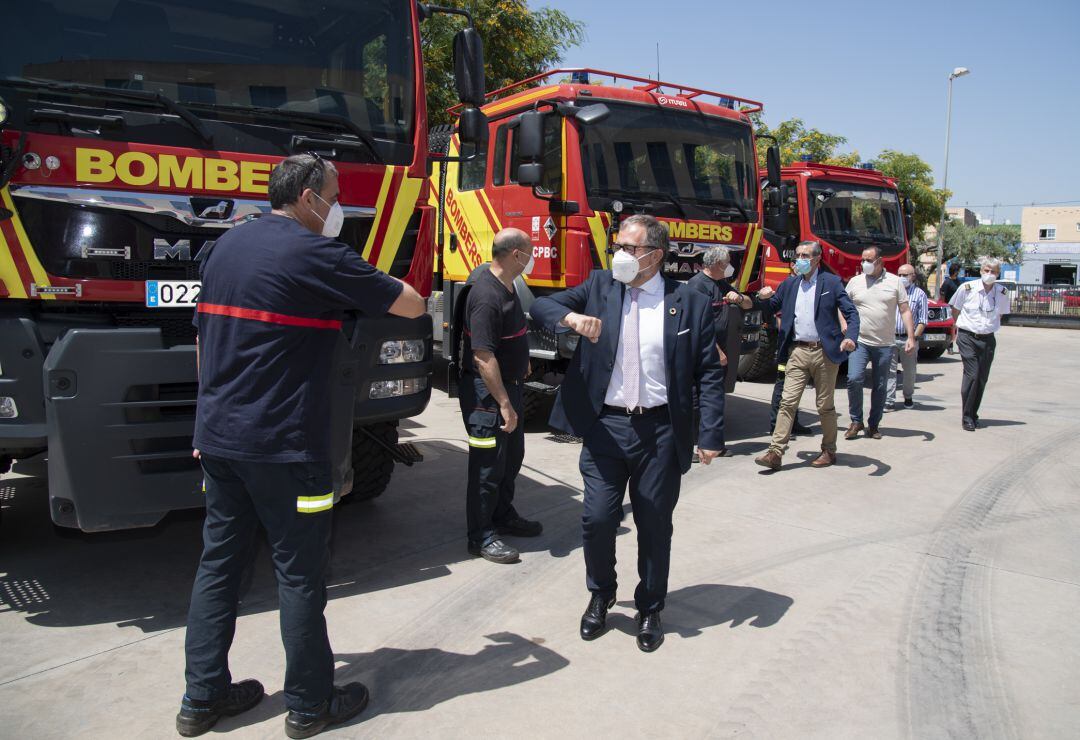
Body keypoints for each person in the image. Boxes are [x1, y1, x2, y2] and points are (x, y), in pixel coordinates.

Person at [179, 154, 425, 739]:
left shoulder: (225, 248)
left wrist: (203, 424)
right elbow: (412, 303)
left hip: (219, 441)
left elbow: (202, 339)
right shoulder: (316, 253)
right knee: (300, 574)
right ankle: (311, 704)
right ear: (310, 197)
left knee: (218, 566)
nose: (338, 207)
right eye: (335, 195)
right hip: (287, 447)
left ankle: (201, 698)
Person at [530, 214, 725, 653]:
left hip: (659, 430)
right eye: (617, 245)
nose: (619, 254)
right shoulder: (601, 287)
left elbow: (708, 372)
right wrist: (571, 320)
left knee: (654, 524)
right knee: (597, 518)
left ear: (654, 255)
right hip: (606, 426)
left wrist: (709, 433)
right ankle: (601, 594)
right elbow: (541, 306)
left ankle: (651, 605)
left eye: (629, 248)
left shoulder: (688, 301)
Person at [459, 228, 543, 564]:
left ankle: (503, 515)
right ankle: (480, 536)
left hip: (509, 386)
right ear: (514, 255)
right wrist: (504, 403)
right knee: (487, 466)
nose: (532, 257)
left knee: (511, 458)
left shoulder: (508, 285)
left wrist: (520, 366)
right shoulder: (486, 295)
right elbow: (482, 356)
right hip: (489, 396)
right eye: (529, 251)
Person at [753, 241, 859, 471]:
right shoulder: (789, 284)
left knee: (824, 405)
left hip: (824, 352)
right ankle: (775, 451)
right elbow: (771, 308)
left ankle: (829, 450)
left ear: (817, 259)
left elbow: (851, 312)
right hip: (797, 351)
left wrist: (850, 336)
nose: (799, 259)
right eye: (798, 255)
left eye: (805, 255)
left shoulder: (831, 282)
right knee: (787, 402)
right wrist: (762, 298)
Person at [844, 246, 916, 440]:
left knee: (881, 385)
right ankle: (855, 420)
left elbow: (905, 310)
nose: (865, 263)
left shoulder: (894, 282)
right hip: (860, 342)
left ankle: (873, 424)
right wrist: (844, 327)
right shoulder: (855, 282)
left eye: (869, 260)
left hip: (885, 344)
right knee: (854, 379)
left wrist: (911, 337)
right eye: (863, 260)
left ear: (880, 261)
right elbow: (841, 305)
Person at [686, 245, 750, 456]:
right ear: (714, 264)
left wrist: (739, 298)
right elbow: (696, 324)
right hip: (702, 353)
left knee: (715, 399)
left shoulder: (723, 284)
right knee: (696, 401)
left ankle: (714, 444)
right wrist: (717, 352)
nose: (729, 267)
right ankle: (691, 447)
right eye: (725, 264)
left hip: (721, 352)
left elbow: (749, 304)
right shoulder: (697, 286)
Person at [949, 256, 1011, 431]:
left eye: (993, 272)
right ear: (981, 271)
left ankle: (973, 413)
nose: (989, 274)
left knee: (982, 379)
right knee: (973, 375)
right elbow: (955, 309)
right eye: (986, 271)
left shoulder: (1002, 292)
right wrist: (959, 328)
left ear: (998, 274)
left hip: (988, 338)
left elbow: (1001, 314)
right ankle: (967, 416)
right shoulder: (967, 289)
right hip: (968, 336)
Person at [887, 263, 928, 409]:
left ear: (913, 276)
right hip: (890, 337)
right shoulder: (892, 292)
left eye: (905, 275)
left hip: (908, 339)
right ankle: (889, 401)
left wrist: (913, 338)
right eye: (899, 275)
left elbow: (923, 320)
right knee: (889, 371)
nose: (902, 278)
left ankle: (908, 396)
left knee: (909, 371)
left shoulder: (920, 294)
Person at [940, 263, 961, 354]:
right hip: (949, 308)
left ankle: (960, 345)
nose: (958, 272)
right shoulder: (947, 282)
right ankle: (950, 346)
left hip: (957, 308)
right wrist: (944, 307)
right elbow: (942, 296)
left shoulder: (958, 282)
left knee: (957, 328)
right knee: (951, 328)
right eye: (957, 271)